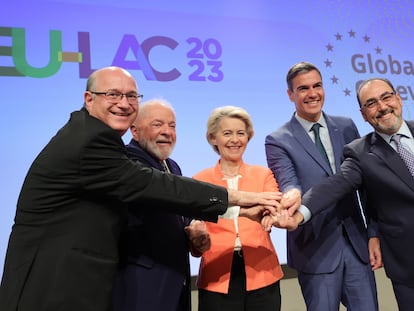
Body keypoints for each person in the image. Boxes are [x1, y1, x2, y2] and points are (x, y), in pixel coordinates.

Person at [0, 66, 281, 311]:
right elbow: (155, 186)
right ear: (89, 99)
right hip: (56, 286)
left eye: (131, 96)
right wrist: (242, 199)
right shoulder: (93, 143)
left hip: (92, 284)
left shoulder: (106, 141)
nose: (123, 103)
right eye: (112, 94)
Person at [287, 77, 414, 311]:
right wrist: (300, 213)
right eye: (372, 103)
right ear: (364, 115)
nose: (382, 106)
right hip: (409, 266)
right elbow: (336, 183)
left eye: (386, 97)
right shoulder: (360, 153)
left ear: (398, 98)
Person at [265, 62, 379, 311]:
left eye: (317, 86)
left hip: (356, 244)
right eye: (303, 88)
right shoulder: (277, 140)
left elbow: (365, 184)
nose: (313, 93)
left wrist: (373, 233)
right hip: (315, 249)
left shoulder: (347, 125)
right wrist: (293, 196)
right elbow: (288, 181)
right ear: (290, 95)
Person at [193, 106, 300, 311]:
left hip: (262, 273)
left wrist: (275, 215)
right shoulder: (199, 181)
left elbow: (273, 206)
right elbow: (196, 228)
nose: (235, 140)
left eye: (241, 133)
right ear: (213, 138)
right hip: (217, 276)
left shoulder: (263, 175)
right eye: (227, 133)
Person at [112, 98, 209, 311]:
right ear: (135, 131)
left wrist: (193, 235)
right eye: (158, 124)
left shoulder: (172, 166)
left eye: (172, 126)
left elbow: (174, 218)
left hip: (177, 282)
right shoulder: (127, 161)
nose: (167, 131)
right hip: (142, 285)